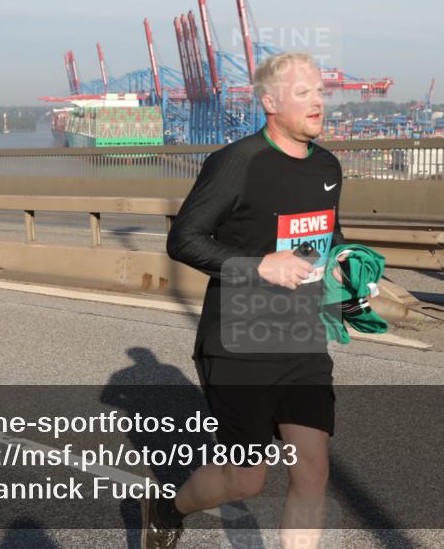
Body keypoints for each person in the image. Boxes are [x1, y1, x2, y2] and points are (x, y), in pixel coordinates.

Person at [148, 53, 344, 549]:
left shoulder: (327, 165)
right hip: (238, 344)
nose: (318, 102)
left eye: (320, 91)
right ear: (270, 103)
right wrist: (259, 265)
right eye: (303, 93)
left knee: (313, 469)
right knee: (246, 480)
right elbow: (184, 239)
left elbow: (326, 236)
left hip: (302, 339)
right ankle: (168, 509)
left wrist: (346, 267)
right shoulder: (237, 162)